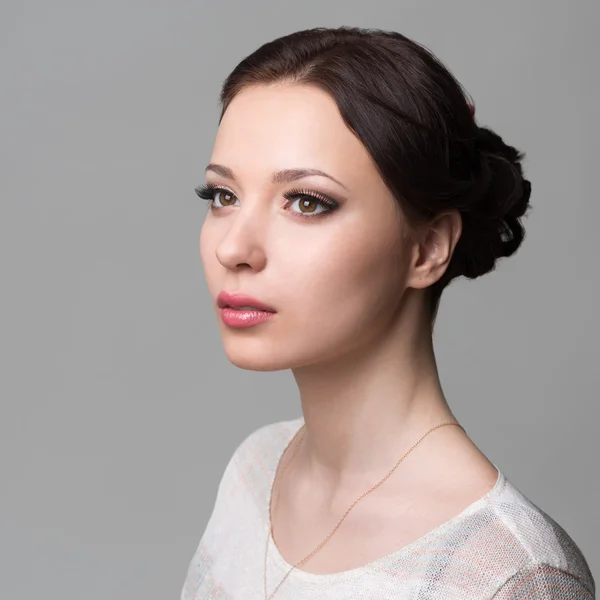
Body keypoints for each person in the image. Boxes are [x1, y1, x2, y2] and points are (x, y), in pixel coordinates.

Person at [181, 26, 595, 600]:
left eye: (306, 201)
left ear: (427, 248)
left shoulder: (507, 573)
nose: (234, 249)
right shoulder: (255, 469)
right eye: (223, 196)